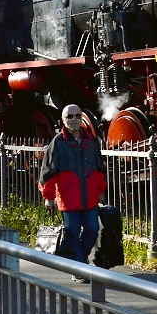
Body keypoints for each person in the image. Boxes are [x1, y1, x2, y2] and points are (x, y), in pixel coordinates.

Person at [38, 104, 106, 281]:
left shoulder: (91, 141)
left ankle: (79, 264)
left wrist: (101, 190)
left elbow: (99, 168)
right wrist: (49, 197)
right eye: (70, 116)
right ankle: (81, 269)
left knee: (92, 229)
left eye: (77, 116)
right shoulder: (58, 143)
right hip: (68, 198)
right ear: (63, 120)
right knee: (72, 233)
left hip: (89, 196)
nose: (74, 120)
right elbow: (48, 173)